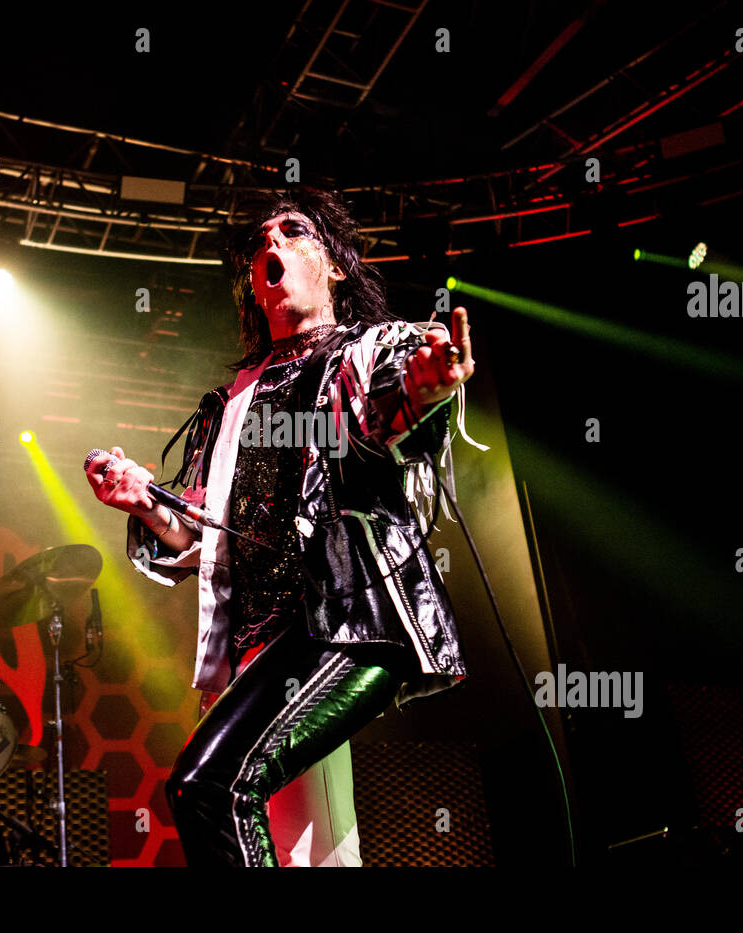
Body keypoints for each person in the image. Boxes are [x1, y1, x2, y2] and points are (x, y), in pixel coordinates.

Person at [85, 187, 479, 866]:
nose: (272, 244)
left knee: (208, 786)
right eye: (260, 240)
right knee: (308, 851)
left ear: (334, 266)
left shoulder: (369, 350)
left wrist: (423, 390)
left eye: (293, 232)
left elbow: (383, 421)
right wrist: (148, 502)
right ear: (251, 287)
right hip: (257, 655)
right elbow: (203, 539)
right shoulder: (231, 400)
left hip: (348, 624)